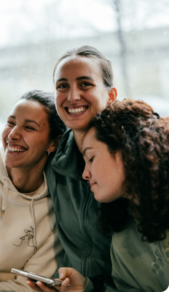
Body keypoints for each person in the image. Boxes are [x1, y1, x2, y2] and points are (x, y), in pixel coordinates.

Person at [33, 99, 169, 292]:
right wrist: (86, 288)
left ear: (126, 148)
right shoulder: (124, 241)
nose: (84, 173)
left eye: (91, 158)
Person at [27, 46, 118, 292]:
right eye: (62, 86)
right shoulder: (51, 155)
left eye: (85, 84)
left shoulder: (133, 162)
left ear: (111, 95)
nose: (72, 96)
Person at [0, 90, 66, 292]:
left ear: (53, 143)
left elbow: (28, 286)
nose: (12, 135)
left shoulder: (57, 208)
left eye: (29, 127)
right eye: (11, 123)